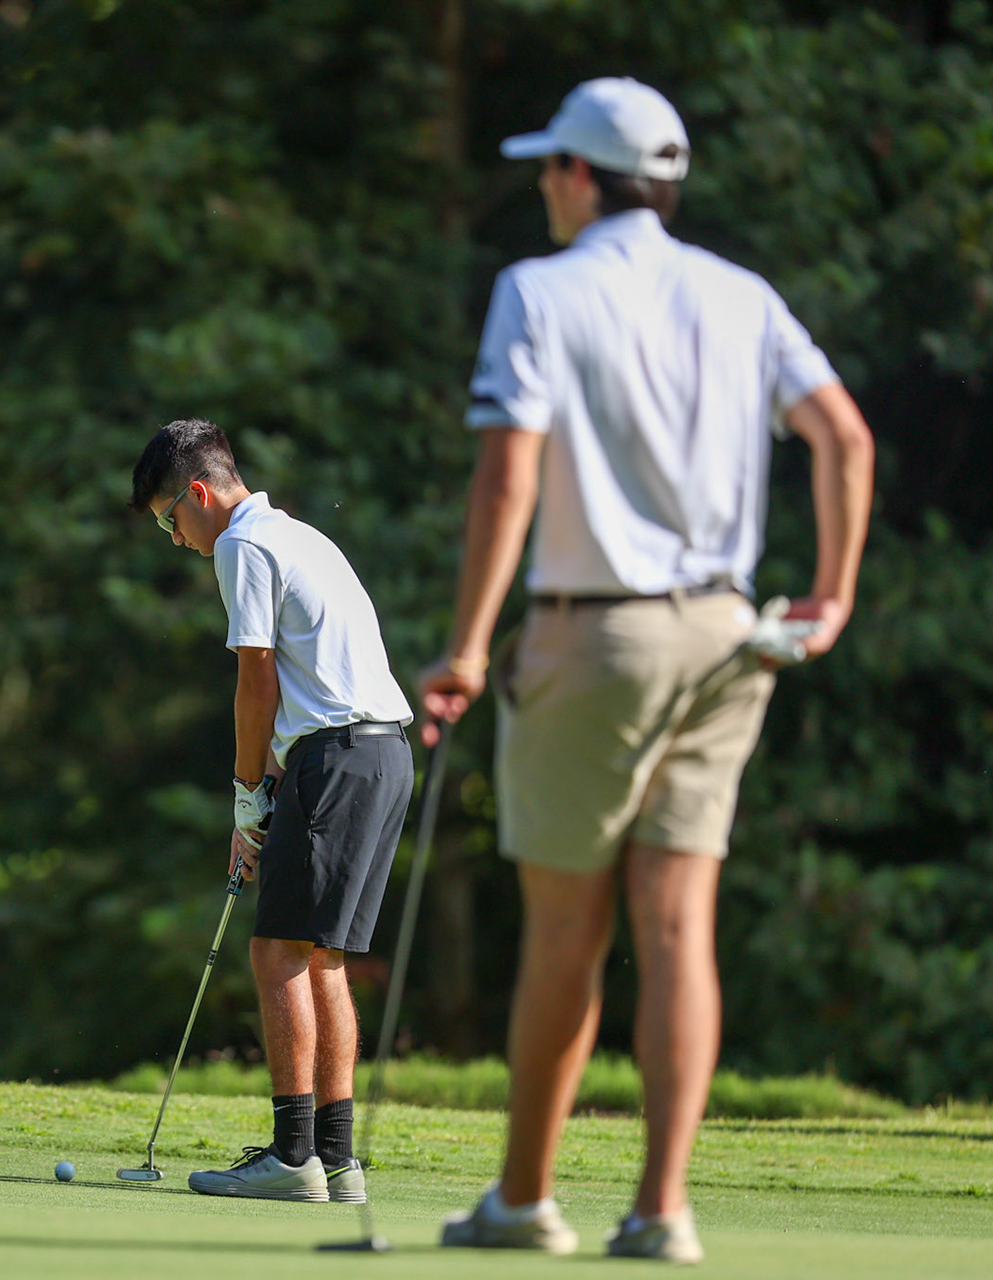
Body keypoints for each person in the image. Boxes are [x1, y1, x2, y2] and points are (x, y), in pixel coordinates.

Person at [419, 78, 874, 1262]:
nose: (542, 186)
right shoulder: (743, 294)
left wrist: (468, 644)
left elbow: (507, 480)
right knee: (679, 925)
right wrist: (831, 594)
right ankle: (662, 1210)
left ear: (581, 176)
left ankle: (524, 1202)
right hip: (731, 635)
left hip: (596, 634)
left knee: (565, 929)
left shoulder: (538, 289)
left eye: (550, 168)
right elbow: (845, 435)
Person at [129, 418, 417, 1204]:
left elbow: (254, 680)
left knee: (277, 953)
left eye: (168, 520)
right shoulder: (302, 535)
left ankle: (293, 1158)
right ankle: (334, 1159)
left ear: (197, 493)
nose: (176, 540)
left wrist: (246, 794)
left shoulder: (240, 545)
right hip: (381, 755)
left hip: (336, 756)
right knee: (320, 956)